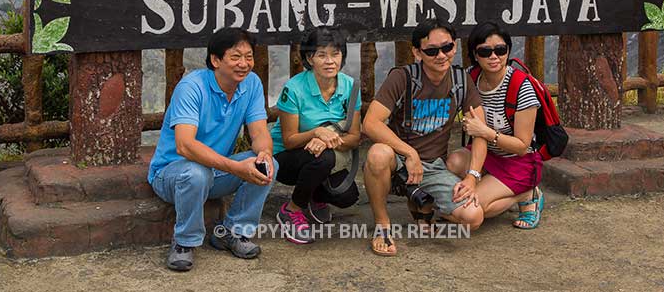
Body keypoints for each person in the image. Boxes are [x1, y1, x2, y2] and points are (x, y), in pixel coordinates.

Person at [147, 27, 277, 272]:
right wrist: (235, 167)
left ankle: (230, 232)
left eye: (249, 57)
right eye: (235, 57)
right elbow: (185, 146)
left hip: (215, 172)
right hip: (172, 175)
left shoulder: (252, 84)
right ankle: (184, 242)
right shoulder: (192, 87)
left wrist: (264, 153)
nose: (244, 64)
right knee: (196, 173)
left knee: (269, 165)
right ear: (216, 60)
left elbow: (258, 132)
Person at [362, 19, 487, 257]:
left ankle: (424, 206)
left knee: (473, 217)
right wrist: (409, 153)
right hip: (397, 161)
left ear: (455, 46)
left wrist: (472, 177)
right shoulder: (403, 78)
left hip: (434, 167)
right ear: (417, 52)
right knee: (378, 154)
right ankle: (382, 225)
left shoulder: (461, 81)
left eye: (447, 48)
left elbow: (480, 130)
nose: (441, 55)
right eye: (431, 50)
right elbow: (370, 123)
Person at [446, 22, 545, 229]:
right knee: (453, 162)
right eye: (485, 51)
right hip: (486, 155)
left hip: (518, 162)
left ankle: (527, 195)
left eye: (500, 50)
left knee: (474, 208)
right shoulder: (470, 78)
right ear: (475, 54)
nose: (494, 57)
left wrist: (486, 133)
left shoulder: (521, 86)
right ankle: (494, 186)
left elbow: (522, 145)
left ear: (508, 51)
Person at [270, 27, 362, 244]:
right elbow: (289, 140)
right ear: (310, 58)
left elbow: (355, 137)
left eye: (336, 54)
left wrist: (326, 140)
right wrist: (316, 133)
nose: (330, 61)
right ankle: (291, 210)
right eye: (322, 55)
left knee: (348, 196)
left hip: (324, 155)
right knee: (323, 159)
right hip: (287, 158)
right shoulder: (294, 88)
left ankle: (313, 195)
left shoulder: (350, 86)